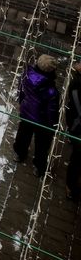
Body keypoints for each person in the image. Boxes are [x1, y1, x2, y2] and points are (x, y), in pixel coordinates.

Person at [13, 54, 59, 177]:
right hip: (42, 120)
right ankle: (39, 166)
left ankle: (19, 153)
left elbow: (21, 90)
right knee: (42, 144)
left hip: (27, 112)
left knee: (23, 135)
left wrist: (22, 102)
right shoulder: (51, 90)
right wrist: (53, 125)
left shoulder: (26, 75)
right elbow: (52, 110)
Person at [65, 61, 81, 201]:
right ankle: (71, 188)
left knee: (76, 160)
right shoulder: (76, 84)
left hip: (76, 124)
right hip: (76, 125)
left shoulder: (76, 83)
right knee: (77, 160)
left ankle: (71, 187)